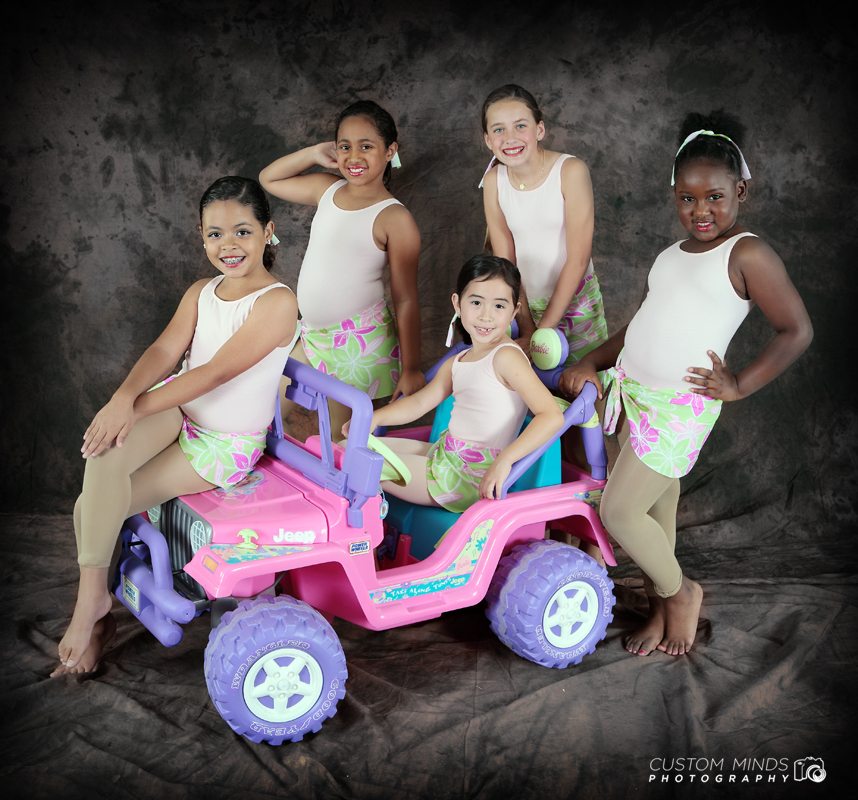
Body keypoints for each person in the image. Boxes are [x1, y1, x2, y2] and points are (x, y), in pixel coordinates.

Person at [558, 111, 813, 657]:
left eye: (716, 197)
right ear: (674, 195)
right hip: (636, 396)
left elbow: (796, 330)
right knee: (655, 514)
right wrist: (592, 361)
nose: (702, 211)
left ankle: (682, 594)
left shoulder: (747, 253)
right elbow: (640, 326)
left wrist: (739, 384)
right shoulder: (671, 255)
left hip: (679, 408)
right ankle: (656, 609)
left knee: (618, 512)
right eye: (688, 199)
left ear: (740, 190)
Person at [52, 177, 298, 677]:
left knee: (92, 505)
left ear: (268, 231)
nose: (228, 246)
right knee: (104, 455)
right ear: (201, 236)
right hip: (181, 414)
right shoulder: (201, 292)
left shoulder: (276, 302)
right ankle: (94, 604)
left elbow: (213, 373)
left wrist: (135, 409)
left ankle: (91, 611)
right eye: (214, 234)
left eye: (243, 231)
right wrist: (123, 400)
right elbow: (165, 352)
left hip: (221, 445)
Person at [344, 255, 563, 513]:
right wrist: (374, 418)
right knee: (346, 448)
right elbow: (419, 402)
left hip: (469, 476)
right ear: (458, 304)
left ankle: (363, 542)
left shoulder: (507, 357)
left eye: (499, 306)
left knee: (353, 461)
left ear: (515, 310)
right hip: (446, 456)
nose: (485, 316)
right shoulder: (459, 360)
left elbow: (552, 416)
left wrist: (505, 461)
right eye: (476, 302)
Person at [259, 100, 424, 436]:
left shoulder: (395, 218)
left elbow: (406, 299)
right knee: (262, 412)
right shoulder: (326, 188)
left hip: (360, 344)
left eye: (366, 147)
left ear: (390, 150)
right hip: (314, 338)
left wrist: (412, 368)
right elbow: (269, 178)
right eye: (345, 147)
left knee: (342, 442)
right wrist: (314, 153)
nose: (354, 157)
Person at [480, 84, 608, 364]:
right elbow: (505, 260)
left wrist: (543, 331)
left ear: (539, 130)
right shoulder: (493, 182)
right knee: (535, 392)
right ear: (488, 140)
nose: (510, 138)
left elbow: (578, 258)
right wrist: (527, 325)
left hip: (576, 302)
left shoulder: (570, 171)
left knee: (584, 384)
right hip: (524, 305)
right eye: (499, 130)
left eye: (520, 126)